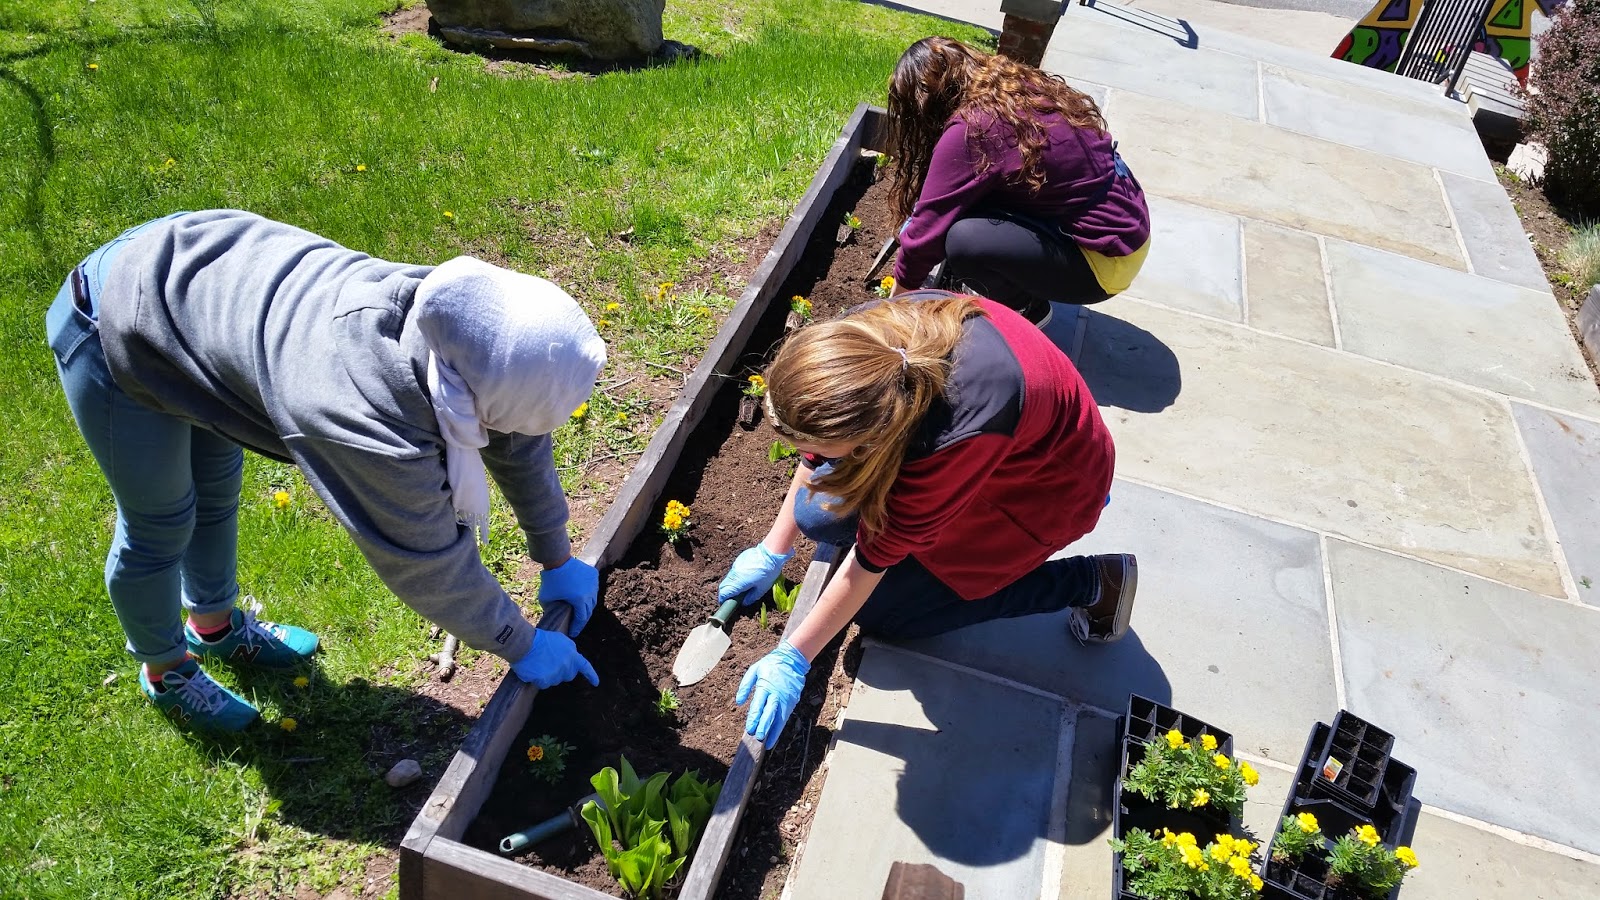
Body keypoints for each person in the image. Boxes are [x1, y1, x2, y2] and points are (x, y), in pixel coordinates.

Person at [46, 210, 606, 731]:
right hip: (115, 316)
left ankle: (213, 627)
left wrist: (555, 554)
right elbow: (426, 565)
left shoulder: (461, 330)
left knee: (215, 492)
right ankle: (164, 668)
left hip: (203, 300)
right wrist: (521, 643)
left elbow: (515, 434)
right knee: (161, 520)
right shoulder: (364, 422)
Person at [722, 291, 1137, 748]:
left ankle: (1093, 582)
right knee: (814, 514)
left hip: (1042, 489)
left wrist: (793, 657)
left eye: (825, 450)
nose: (813, 460)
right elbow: (816, 447)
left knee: (889, 612)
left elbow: (874, 557)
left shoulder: (945, 439)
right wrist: (772, 549)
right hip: (1002, 446)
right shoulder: (857, 345)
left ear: (869, 435)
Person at [885, 37, 1151, 326]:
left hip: (1104, 262)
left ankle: (1028, 311)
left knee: (965, 240)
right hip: (1130, 229)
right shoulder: (1015, 91)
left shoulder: (973, 130)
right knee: (973, 201)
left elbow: (924, 236)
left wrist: (892, 311)